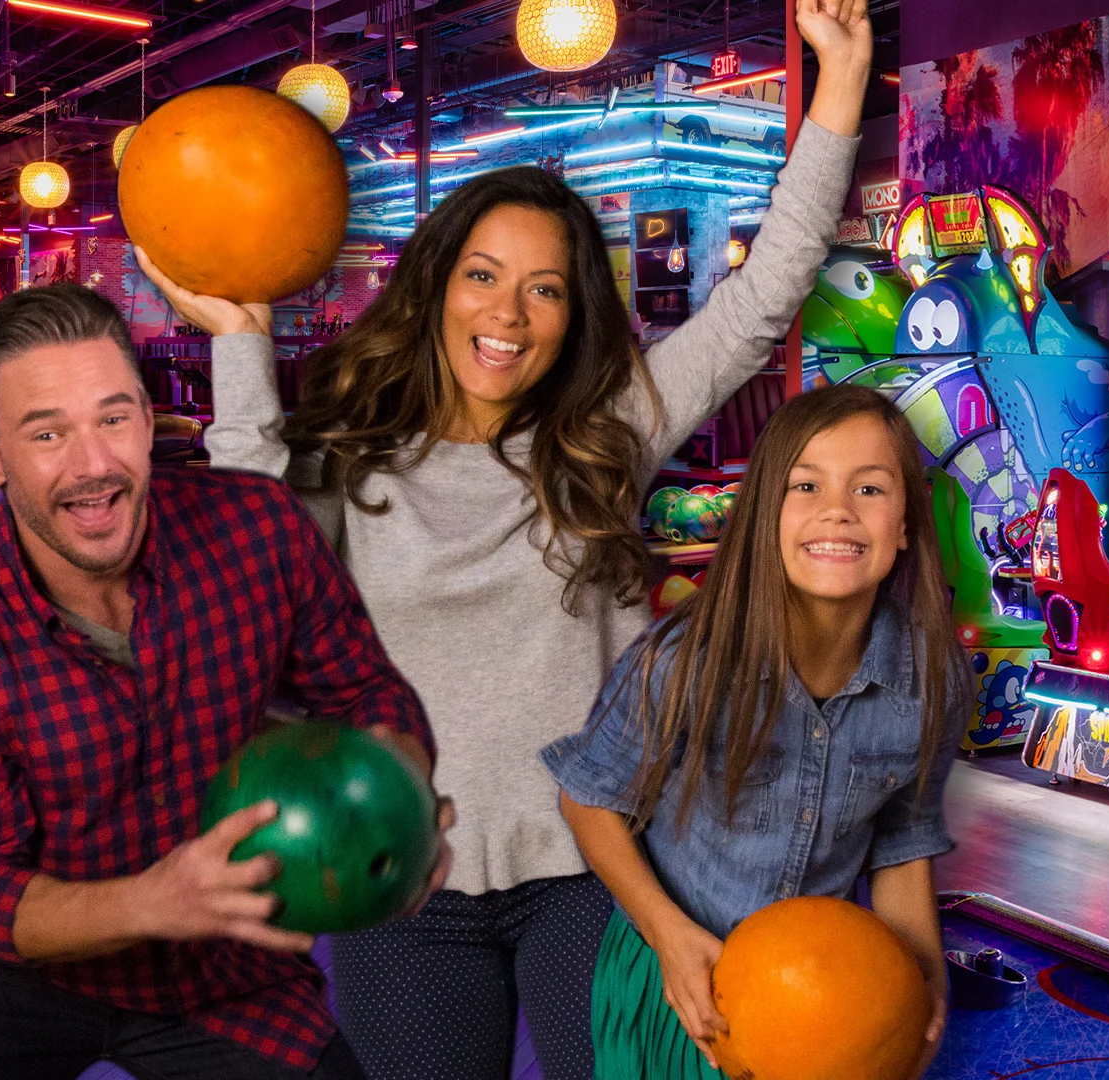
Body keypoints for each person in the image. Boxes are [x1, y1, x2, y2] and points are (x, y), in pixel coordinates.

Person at [135, 0, 873, 1074]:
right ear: (436, 285)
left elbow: (765, 293)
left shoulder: (610, 431)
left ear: (577, 316)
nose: (510, 315)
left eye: (546, 290)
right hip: (399, 872)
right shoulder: (356, 448)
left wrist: (842, 79)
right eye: (484, 276)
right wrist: (242, 347)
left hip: (601, 867)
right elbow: (262, 567)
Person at [0, 283, 451, 1080]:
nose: (95, 464)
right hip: (21, 973)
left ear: (148, 418)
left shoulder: (257, 526)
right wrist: (154, 900)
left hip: (221, 963)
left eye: (114, 417)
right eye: (48, 432)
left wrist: (398, 791)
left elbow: (366, 691)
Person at [542, 385, 965, 1079]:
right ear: (766, 514)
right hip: (677, 978)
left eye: (869, 488)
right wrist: (669, 936)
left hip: (824, 1001)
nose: (837, 509)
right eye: (806, 484)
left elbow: (902, 838)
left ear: (906, 526)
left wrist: (923, 980)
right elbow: (589, 799)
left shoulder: (931, 678)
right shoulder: (686, 660)